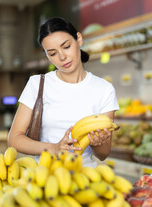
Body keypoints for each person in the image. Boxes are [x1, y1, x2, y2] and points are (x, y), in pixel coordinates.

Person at [8, 17, 119, 167]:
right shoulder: (37, 84)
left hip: (85, 179)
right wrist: (54, 148)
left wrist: (96, 143)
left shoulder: (104, 89)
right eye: (52, 53)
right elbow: (14, 139)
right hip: (44, 177)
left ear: (79, 39)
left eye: (66, 46)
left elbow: (103, 154)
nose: (62, 57)